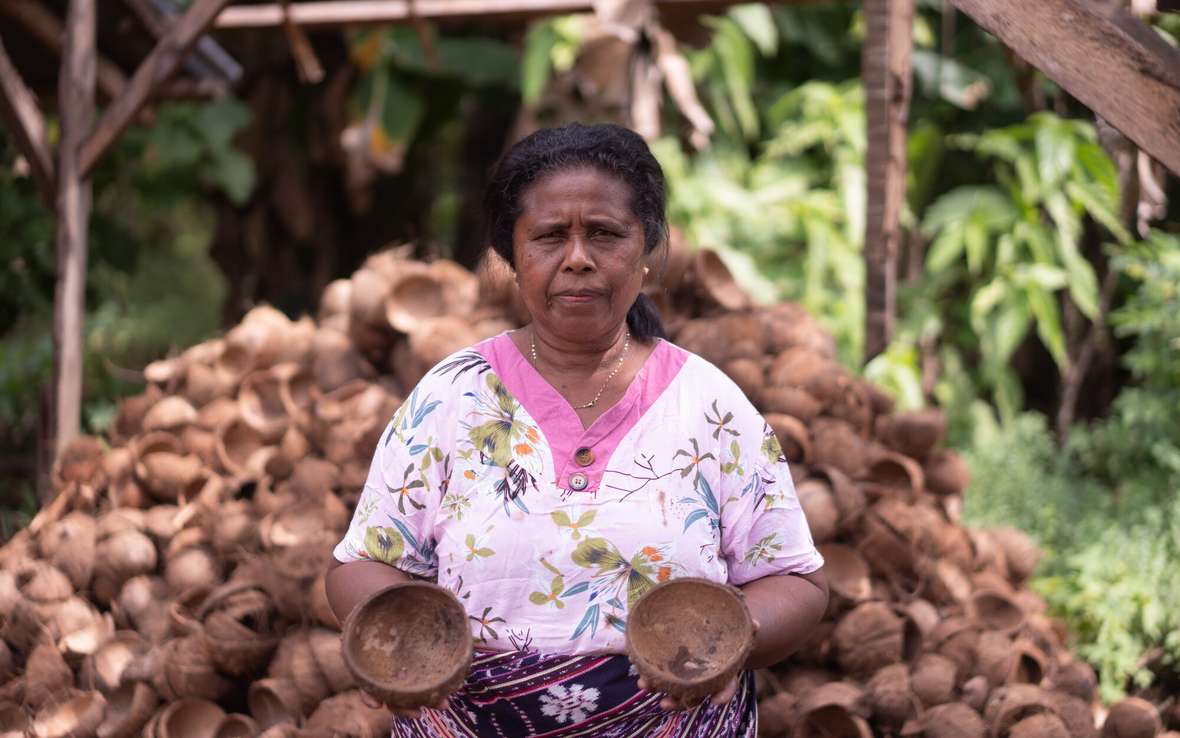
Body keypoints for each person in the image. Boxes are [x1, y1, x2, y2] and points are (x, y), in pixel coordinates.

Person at [325, 122, 828, 738]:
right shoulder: (452, 396)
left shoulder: (708, 404)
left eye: (605, 234)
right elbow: (361, 563)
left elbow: (795, 578)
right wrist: (391, 636)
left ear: (647, 249)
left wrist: (737, 635)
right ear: (511, 256)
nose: (578, 258)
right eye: (549, 236)